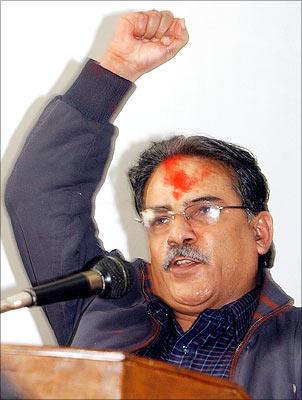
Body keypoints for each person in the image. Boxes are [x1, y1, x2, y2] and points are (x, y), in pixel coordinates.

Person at [4, 9, 301, 400]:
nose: (178, 232)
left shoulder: (293, 347)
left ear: (259, 231)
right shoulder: (105, 311)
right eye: (159, 218)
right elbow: (40, 196)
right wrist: (116, 68)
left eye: (203, 210)